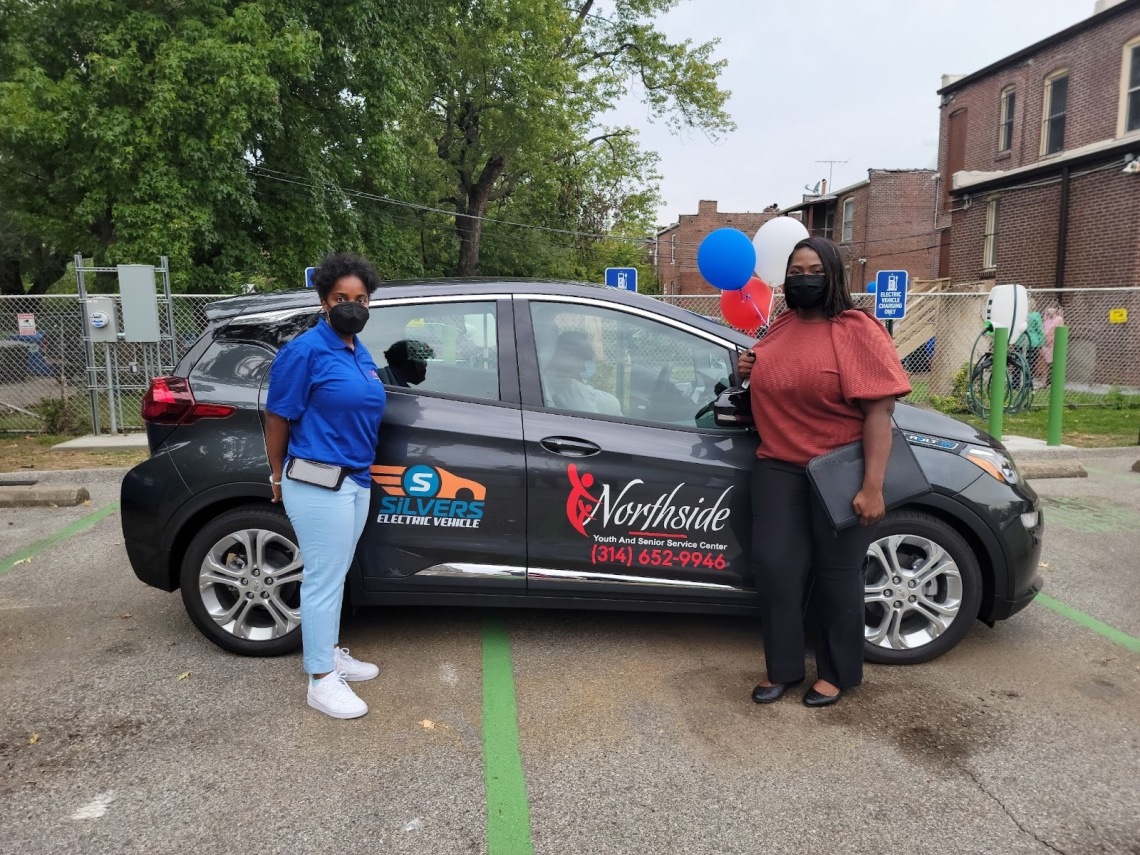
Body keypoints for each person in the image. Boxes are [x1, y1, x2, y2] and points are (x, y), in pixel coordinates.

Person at [736, 236, 911, 707]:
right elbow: (764, 384)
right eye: (795, 271)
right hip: (779, 467)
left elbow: (879, 414)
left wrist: (872, 486)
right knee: (775, 570)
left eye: (814, 270)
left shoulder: (856, 329)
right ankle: (783, 669)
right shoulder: (780, 325)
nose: (803, 278)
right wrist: (744, 371)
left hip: (838, 470)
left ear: (833, 275)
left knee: (837, 577)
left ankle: (837, 673)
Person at [264, 253, 387, 720]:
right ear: (323, 301)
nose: (352, 306)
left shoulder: (358, 350)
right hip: (317, 481)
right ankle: (320, 680)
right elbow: (278, 417)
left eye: (361, 299)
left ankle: (330, 652)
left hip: (355, 478)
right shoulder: (304, 351)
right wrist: (276, 475)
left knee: (334, 574)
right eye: (342, 298)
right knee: (322, 578)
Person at [542, 330, 623, 416]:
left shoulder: (553, 382)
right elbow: (591, 426)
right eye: (579, 359)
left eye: (584, 361)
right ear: (560, 355)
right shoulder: (571, 388)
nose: (583, 369)